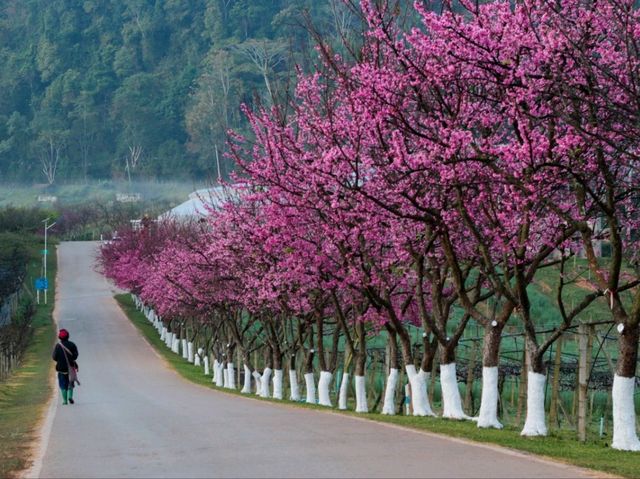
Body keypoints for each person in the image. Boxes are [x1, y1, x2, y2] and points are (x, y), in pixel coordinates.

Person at [52, 329, 79, 405]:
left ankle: (64, 401)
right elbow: (75, 355)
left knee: (63, 385)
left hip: (61, 369)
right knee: (70, 382)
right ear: (68, 336)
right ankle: (70, 396)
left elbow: (54, 357)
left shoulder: (58, 346)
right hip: (70, 367)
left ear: (59, 337)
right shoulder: (72, 345)